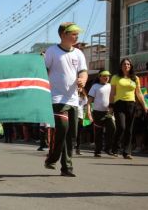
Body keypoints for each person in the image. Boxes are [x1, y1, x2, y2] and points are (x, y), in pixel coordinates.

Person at [44, 22, 88, 177]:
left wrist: (82, 80)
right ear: (63, 35)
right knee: (62, 129)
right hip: (56, 98)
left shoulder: (79, 53)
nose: (76, 36)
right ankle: (53, 157)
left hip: (73, 100)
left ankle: (66, 167)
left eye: (77, 33)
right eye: (73, 33)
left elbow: (83, 72)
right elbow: (44, 71)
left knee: (71, 134)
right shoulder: (52, 51)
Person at [110, 58, 147, 159]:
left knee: (129, 130)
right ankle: (115, 149)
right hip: (119, 104)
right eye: (124, 64)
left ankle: (127, 152)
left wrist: (145, 106)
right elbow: (112, 93)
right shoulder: (116, 77)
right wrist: (111, 106)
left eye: (128, 64)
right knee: (121, 127)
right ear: (121, 66)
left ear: (131, 66)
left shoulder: (135, 78)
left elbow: (139, 93)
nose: (126, 66)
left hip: (131, 104)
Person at [87, 70, 116, 157]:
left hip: (108, 112)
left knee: (112, 128)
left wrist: (112, 110)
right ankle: (97, 150)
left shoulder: (111, 86)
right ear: (99, 77)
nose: (106, 77)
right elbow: (89, 101)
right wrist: (88, 112)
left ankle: (108, 148)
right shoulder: (95, 86)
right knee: (98, 132)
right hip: (97, 113)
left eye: (108, 76)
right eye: (104, 76)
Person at [75, 87, 88, 155]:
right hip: (74, 116)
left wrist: (83, 93)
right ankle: (69, 148)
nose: (78, 89)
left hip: (81, 116)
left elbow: (86, 104)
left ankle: (78, 149)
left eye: (80, 88)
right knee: (73, 132)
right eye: (77, 87)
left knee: (79, 133)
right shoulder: (73, 95)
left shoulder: (83, 97)